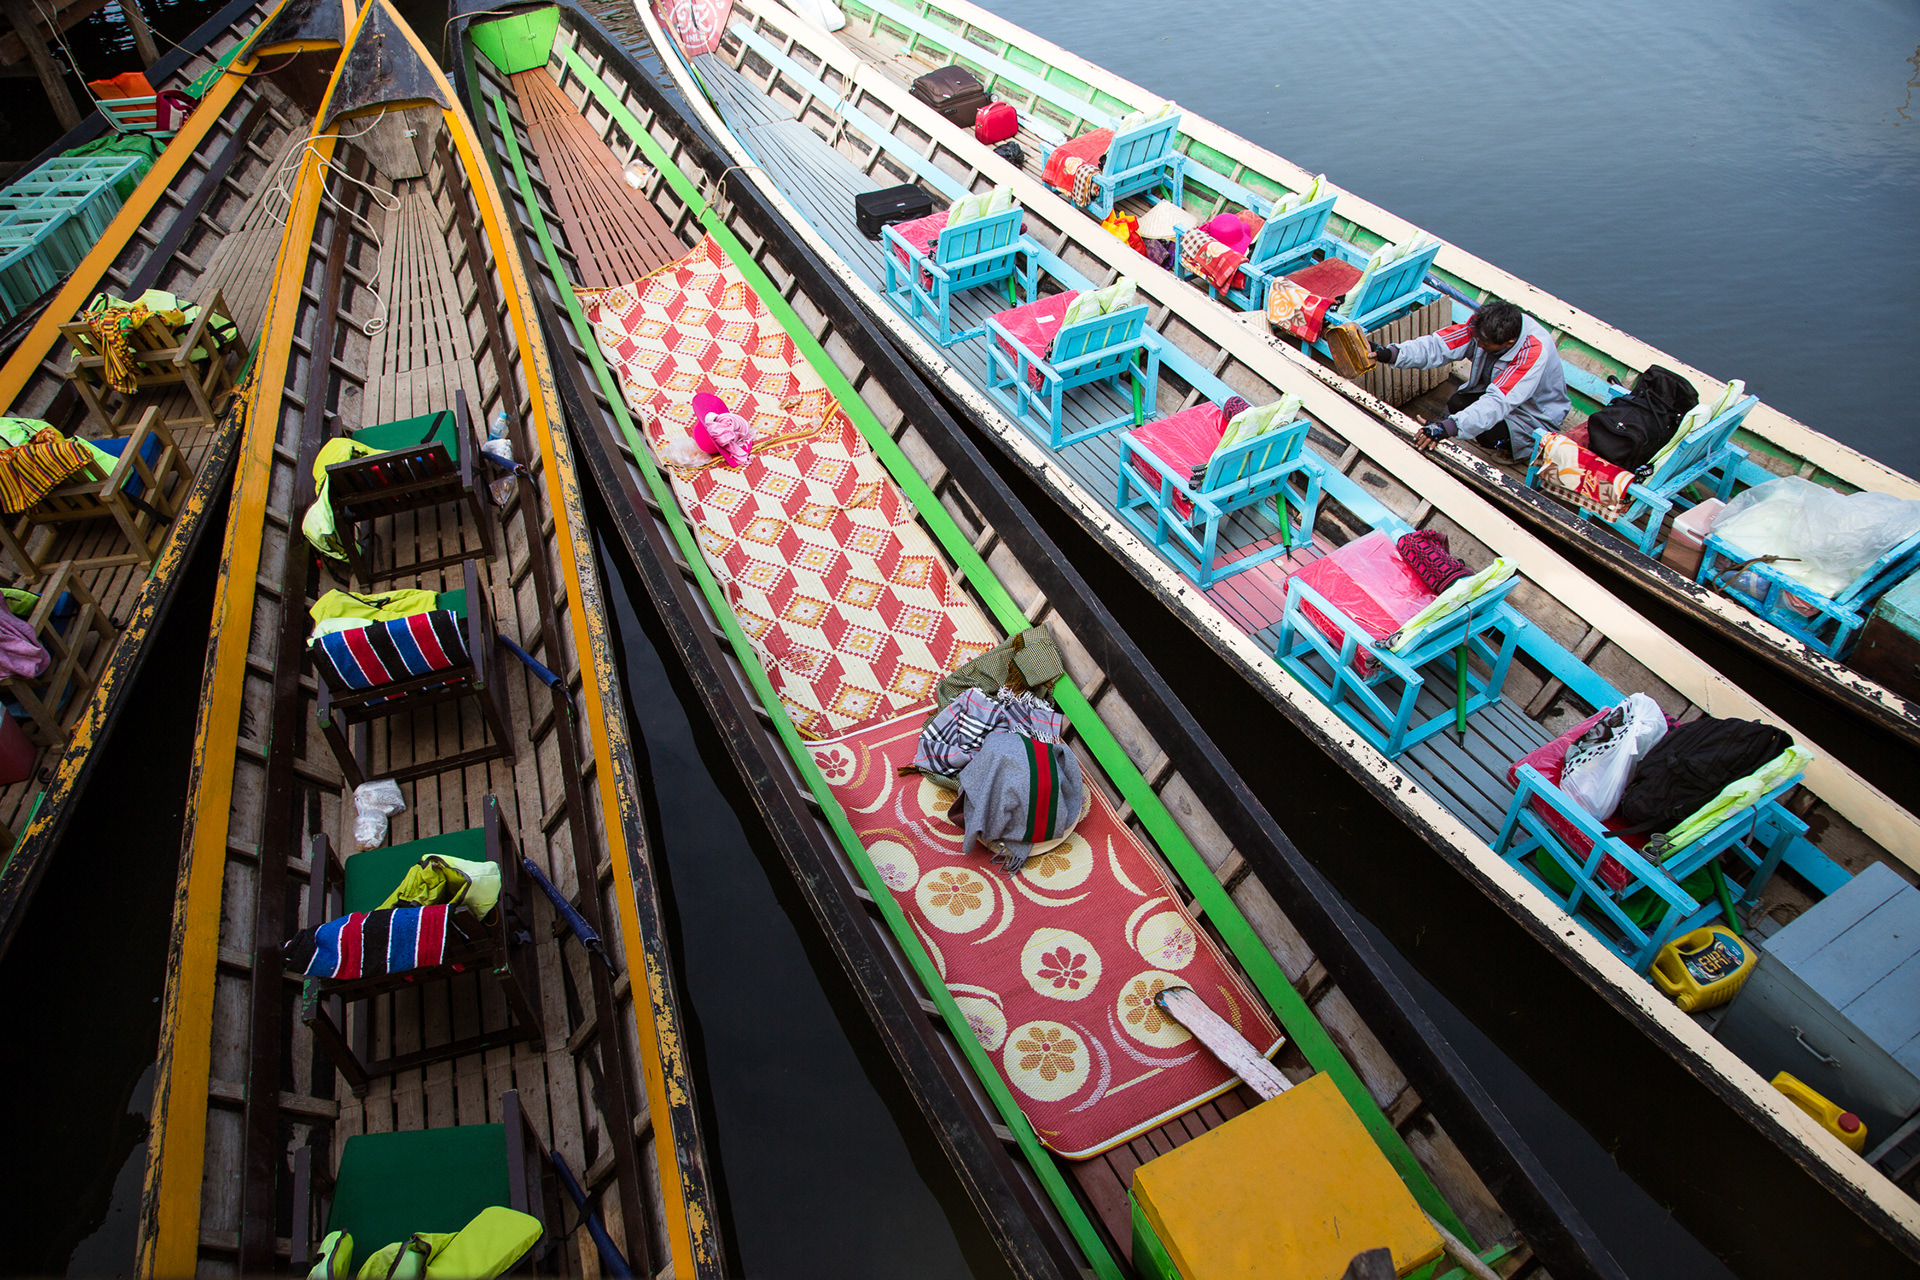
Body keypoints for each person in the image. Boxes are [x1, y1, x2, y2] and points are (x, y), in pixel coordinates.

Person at [1370, 299, 1569, 456]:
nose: (1478, 345)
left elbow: (1498, 401)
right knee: (1457, 403)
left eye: (1484, 344)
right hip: (1499, 390)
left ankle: (1519, 450)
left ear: (1508, 343)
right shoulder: (1481, 328)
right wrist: (1390, 354)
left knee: (1489, 435)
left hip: (1533, 413)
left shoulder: (1533, 350)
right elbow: (1437, 346)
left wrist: (1447, 428)